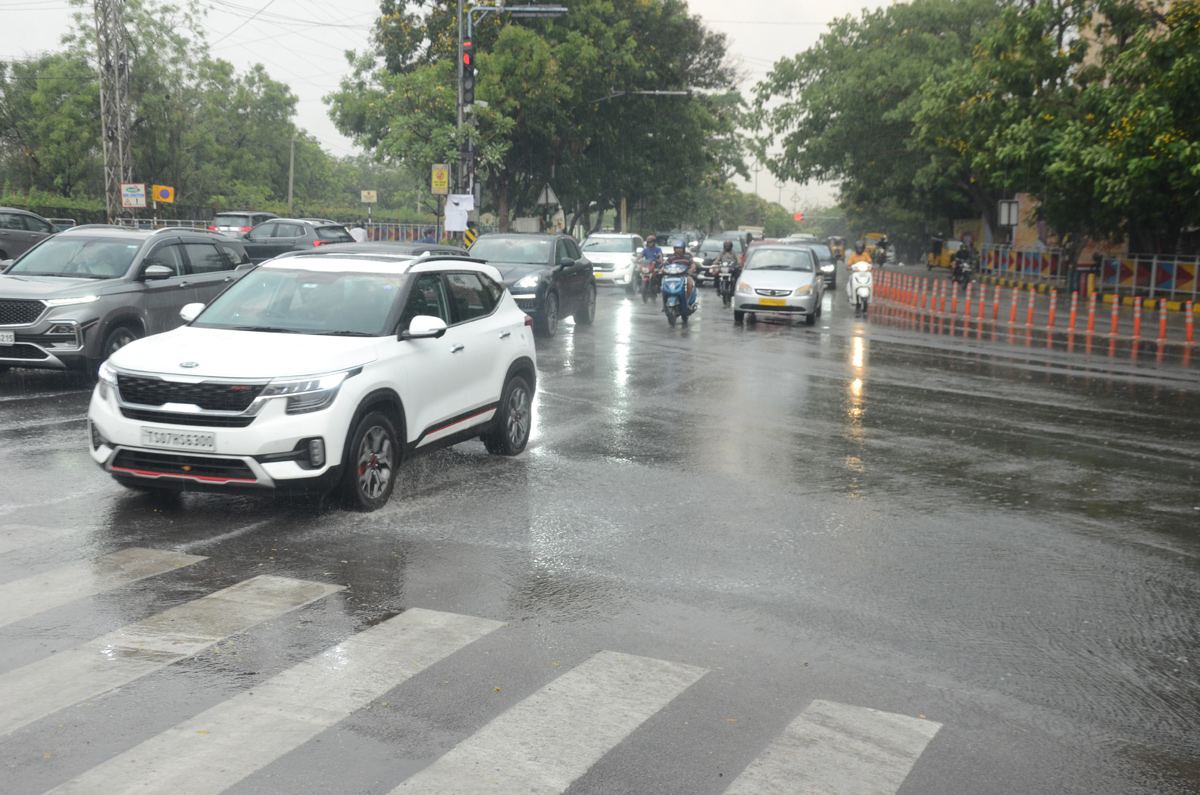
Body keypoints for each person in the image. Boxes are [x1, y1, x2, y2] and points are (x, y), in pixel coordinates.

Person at [665, 237, 698, 311]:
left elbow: (692, 264)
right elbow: (666, 265)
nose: (678, 250)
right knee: (664, 285)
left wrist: (692, 269)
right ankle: (665, 303)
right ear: (674, 249)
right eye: (677, 248)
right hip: (672, 277)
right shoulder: (671, 257)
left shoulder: (688, 256)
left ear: (683, 249)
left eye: (680, 248)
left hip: (685, 276)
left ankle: (686, 303)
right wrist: (661, 268)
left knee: (690, 284)